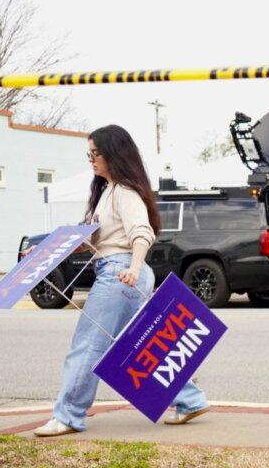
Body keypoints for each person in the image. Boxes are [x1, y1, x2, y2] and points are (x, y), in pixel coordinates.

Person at [35, 125, 210, 437]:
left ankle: (68, 415)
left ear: (113, 154)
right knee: (138, 347)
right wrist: (46, 251)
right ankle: (190, 400)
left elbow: (142, 233)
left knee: (88, 345)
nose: (91, 160)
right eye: (88, 154)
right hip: (123, 273)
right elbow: (95, 240)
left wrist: (133, 267)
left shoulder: (124, 193)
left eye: (96, 154)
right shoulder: (107, 192)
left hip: (120, 273)